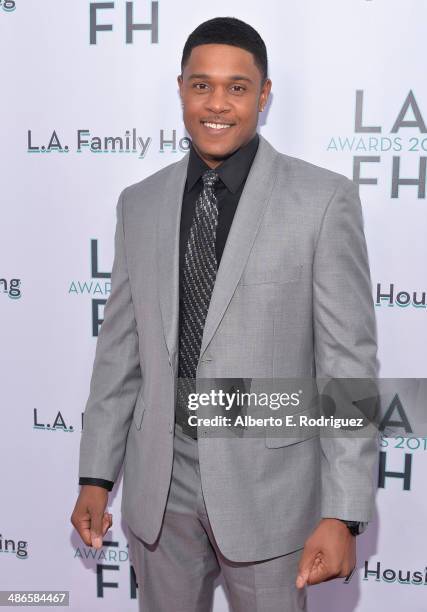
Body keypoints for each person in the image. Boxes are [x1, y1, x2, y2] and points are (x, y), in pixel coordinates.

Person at [71, 16, 379, 612]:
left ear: (264, 96)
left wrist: (343, 510)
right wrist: (95, 476)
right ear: (181, 89)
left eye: (238, 87)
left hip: (270, 491)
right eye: (201, 84)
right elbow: (119, 353)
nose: (218, 103)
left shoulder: (323, 200)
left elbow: (347, 367)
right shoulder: (139, 204)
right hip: (160, 488)